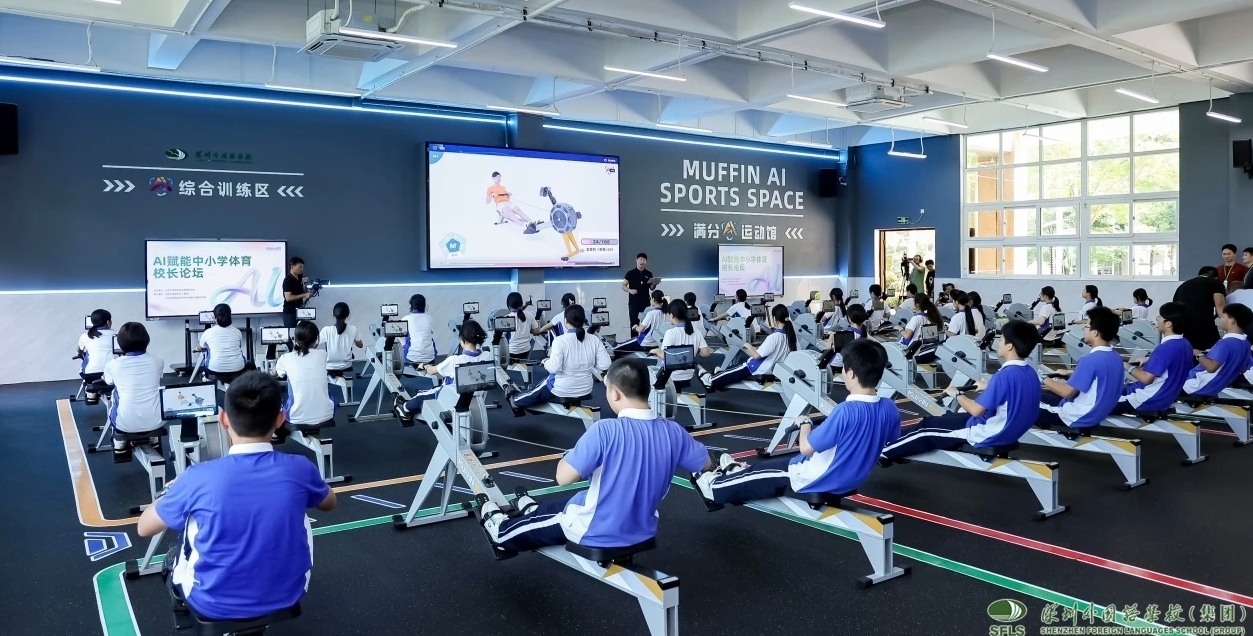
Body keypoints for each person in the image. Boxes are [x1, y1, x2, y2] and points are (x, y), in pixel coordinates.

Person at [137, 371, 337, 621]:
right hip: (289, 595)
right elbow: (329, 503)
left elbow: (144, 528)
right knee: (301, 511)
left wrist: (173, 489)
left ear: (223, 419)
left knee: (184, 534)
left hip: (210, 604)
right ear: (280, 419)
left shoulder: (196, 477)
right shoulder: (300, 468)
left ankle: (182, 601)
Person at [482, 359, 710, 551]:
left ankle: (499, 527)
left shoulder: (604, 430)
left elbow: (563, 478)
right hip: (643, 528)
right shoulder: (674, 431)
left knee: (520, 531)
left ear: (615, 394)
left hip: (595, 531)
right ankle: (534, 511)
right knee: (570, 502)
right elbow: (705, 464)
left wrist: (570, 455)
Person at [694, 339, 899, 504]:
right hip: (852, 478)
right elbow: (888, 438)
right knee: (764, 470)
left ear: (851, 373)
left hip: (820, 477)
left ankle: (714, 487)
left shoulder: (846, 411)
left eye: (845, 370)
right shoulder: (889, 407)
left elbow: (806, 448)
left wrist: (805, 425)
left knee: (761, 474)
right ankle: (735, 472)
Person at [881, 320, 1039, 460]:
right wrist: (988, 386)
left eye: (1002, 340)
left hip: (985, 432)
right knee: (944, 418)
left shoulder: (1004, 376)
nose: (999, 343)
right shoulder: (1029, 373)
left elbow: (976, 410)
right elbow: (1013, 391)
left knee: (926, 428)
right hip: (1008, 430)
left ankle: (883, 451)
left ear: (1010, 346)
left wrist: (957, 394)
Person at [509, 305, 612, 412]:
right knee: (543, 385)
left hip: (561, 388)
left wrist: (546, 362)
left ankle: (515, 400)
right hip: (586, 388)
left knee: (539, 388)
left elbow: (553, 368)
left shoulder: (560, 341)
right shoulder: (594, 339)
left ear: (565, 321)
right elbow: (605, 364)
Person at [1036, 307, 1125, 430]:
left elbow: (1067, 392)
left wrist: (1042, 378)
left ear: (1095, 332)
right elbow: (1099, 375)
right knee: (1042, 393)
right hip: (1096, 413)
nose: (1084, 329)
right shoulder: (1115, 357)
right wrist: (1071, 373)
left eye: (1086, 326)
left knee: (1021, 399)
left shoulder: (1090, 359)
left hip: (1076, 415)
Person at [395, 320, 491, 422]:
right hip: (477, 397)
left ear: (462, 339)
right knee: (432, 389)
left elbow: (432, 371)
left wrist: (424, 366)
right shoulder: (487, 355)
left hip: (452, 396)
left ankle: (404, 410)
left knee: (420, 397)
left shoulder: (454, 360)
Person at [1111, 302, 1193, 414]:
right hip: (1164, 398)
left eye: (1160, 317)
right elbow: (1171, 362)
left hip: (1147, 399)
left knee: (1094, 403)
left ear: (1168, 323)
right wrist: (1148, 359)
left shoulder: (1165, 348)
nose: (1157, 320)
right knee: (1111, 390)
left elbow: (1146, 378)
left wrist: (1126, 365)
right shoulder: (1185, 344)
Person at [102, 322, 165, 461]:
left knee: (115, 393)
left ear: (120, 343)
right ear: (146, 340)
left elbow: (108, 382)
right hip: (157, 421)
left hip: (124, 425)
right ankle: (154, 438)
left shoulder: (113, 365)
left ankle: (119, 443)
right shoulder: (158, 361)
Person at [708, 304, 795, 390]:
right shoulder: (791, 337)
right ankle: (720, 373)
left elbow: (756, 356)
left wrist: (748, 346)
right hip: (772, 370)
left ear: (775, 319)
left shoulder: (774, 337)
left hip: (756, 368)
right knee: (732, 369)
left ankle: (710, 380)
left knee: (736, 369)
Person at [1181, 303, 1253, 398]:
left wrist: (1198, 354)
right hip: (1213, 389)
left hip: (1195, 386)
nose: (1220, 319)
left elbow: (1211, 367)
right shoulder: (1245, 344)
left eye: (1223, 316)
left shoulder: (1226, 343)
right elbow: (1243, 366)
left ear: (1232, 321)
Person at [274, 320, 335, 428]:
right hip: (326, 414)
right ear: (316, 340)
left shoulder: (286, 358)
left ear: (295, 339)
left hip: (295, 417)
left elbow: (275, 374)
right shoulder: (323, 355)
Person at [651, 299, 712, 388]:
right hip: (688, 376)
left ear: (672, 315)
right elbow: (706, 353)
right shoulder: (697, 332)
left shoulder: (670, 333)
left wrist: (656, 351)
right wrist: (695, 350)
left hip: (670, 377)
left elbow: (666, 356)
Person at [1173, 267, 1227, 351]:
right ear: (1215, 277)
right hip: (1204, 325)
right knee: (1212, 350)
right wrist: (1226, 325)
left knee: (1189, 351)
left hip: (1184, 327)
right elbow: (1219, 303)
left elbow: (1175, 305)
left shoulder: (1183, 285)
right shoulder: (1216, 283)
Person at [196, 304, 248, 383]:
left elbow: (200, 347)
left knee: (207, 352)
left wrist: (197, 348)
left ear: (215, 317)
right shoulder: (237, 332)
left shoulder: (208, 332)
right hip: (238, 369)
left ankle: (207, 378)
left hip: (214, 369)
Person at [77, 308, 115, 405]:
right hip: (112, 374)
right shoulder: (115, 335)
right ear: (108, 322)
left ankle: (91, 391)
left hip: (91, 375)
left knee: (86, 362)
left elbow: (79, 350)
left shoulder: (84, 336)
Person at [615, 290, 668, 355]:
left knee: (617, 348)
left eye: (650, 298)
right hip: (657, 344)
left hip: (645, 343)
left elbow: (640, 329)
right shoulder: (667, 314)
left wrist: (635, 327)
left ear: (653, 299)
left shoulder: (651, 314)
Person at [500, 292, 545, 364]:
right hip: (526, 351)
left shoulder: (506, 318)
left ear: (508, 306)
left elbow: (500, 337)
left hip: (512, 352)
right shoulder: (529, 315)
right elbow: (536, 331)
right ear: (521, 303)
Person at [319, 302, 363, 375]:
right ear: (348, 314)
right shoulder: (353, 329)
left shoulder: (326, 330)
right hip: (346, 365)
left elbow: (315, 344)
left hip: (329, 366)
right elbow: (360, 345)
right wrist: (354, 339)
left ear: (333, 314)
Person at [622, 253, 657, 328]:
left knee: (646, 323)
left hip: (645, 302)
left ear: (646, 262)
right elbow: (623, 285)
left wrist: (654, 284)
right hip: (634, 303)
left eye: (644, 260)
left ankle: (644, 336)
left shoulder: (649, 274)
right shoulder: (630, 273)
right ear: (636, 260)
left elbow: (651, 288)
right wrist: (629, 290)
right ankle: (634, 336)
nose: (642, 262)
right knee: (634, 323)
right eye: (640, 260)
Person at [403, 294, 436, 366]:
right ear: (424, 305)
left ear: (411, 305)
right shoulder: (429, 318)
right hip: (430, 359)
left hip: (412, 359)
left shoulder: (406, 318)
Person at [281, 257, 311, 329]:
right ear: (292, 267)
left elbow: (303, 292)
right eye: (300, 267)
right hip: (290, 312)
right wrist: (304, 295)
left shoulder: (300, 278)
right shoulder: (288, 280)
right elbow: (288, 298)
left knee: (304, 331)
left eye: (303, 267)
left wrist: (304, 285)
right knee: (291, 332)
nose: (302, 269)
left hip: (300, 310)